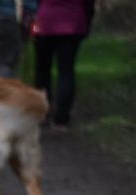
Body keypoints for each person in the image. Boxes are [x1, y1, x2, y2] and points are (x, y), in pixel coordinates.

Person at [33, 0, 95, 129]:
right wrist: (87, 21)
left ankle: (42, 114)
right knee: (66, 72)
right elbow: (88, 3)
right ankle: (61, 119)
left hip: (45, 22)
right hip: (72, 23)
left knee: (42, 70)